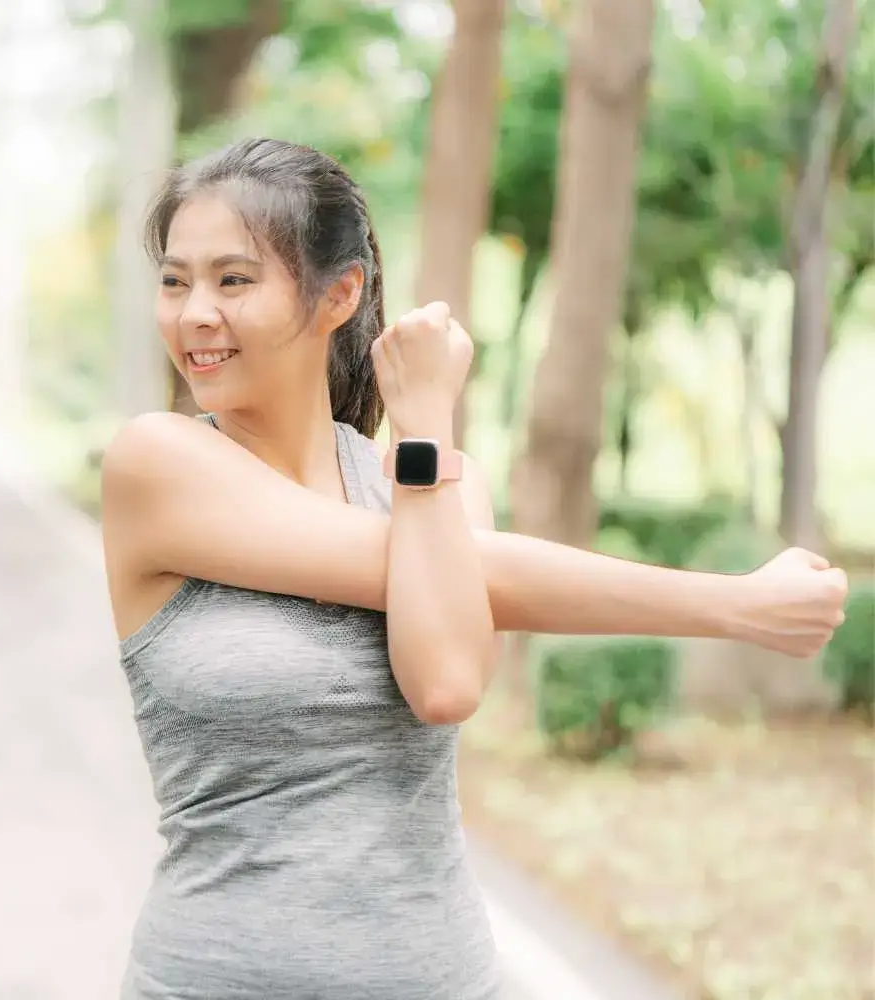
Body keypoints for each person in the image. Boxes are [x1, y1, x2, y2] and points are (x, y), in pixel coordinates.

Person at [99, 137, 847, 1000]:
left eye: (233, 280)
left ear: (338, 294)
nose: (194, 312)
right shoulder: (156, 465)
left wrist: (425, 431)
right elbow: (455, 574)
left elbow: (447, 680)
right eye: (174, 280)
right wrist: (736, 604)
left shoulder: (435, 493)